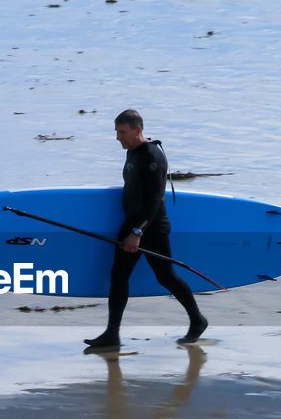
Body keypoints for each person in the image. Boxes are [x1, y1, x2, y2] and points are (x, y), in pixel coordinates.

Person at [84, 110, 208, 351]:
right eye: (117, 132)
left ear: (137, 130)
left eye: (122, 132)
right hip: (133, 224)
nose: (118, 137)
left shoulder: (152, 156)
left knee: (166, 276)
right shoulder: (132, 151)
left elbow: (154, 200)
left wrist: (137, 232)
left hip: (151, 228)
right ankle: (112, 334)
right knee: (118, 277)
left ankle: (198, 320)